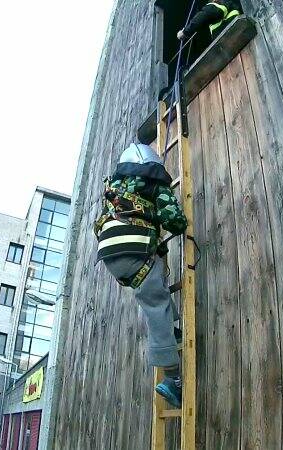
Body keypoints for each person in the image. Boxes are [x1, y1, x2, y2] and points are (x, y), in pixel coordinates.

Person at [93, 143, 188, 408]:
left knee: (152, 292)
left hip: (110, 256)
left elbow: (98, 225)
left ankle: (174, 331)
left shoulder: (113, 190)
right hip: (137, 250)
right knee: (155, 305)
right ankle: (173, 379)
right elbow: (176, 223)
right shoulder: (155, 184)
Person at [176, 0, 242, 41]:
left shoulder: (218, 6)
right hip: (235, 37)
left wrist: (185, 32)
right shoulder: (230, 8)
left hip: (231, 38)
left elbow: (201, 17)